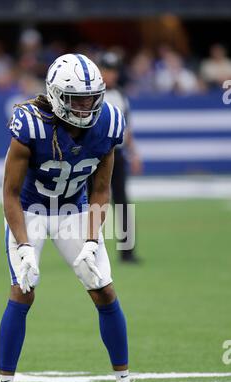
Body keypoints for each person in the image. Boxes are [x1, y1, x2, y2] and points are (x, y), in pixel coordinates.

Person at [0, 53, 146, 382]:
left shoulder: (108, 123)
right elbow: (10, 194)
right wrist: (25, 245)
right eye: (78, 98)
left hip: (74, 210)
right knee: (23, 290)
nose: (87, 105)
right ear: (57, 95)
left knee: (104, 289)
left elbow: (102, 189)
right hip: (30, 209)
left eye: (93, 97)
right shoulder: (30, 124)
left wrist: (93, 239)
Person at [98, 51, 143, 263]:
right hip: (96, 155)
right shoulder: (92, 94)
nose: (111, 75)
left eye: (114, 71)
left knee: (122, 201)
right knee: (93, 203)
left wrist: (134, 153)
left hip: (117, 154)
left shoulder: (120, 95)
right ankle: (89, 249)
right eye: (107, 70)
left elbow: (127, 129)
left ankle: (127, 252)